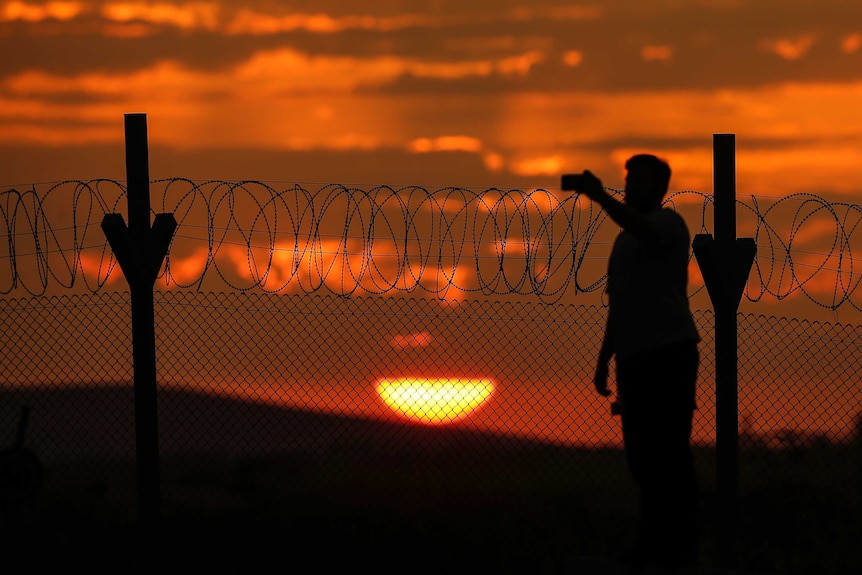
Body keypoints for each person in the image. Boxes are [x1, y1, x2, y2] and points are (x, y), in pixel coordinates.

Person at [562, 154, 701, 570]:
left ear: (660, 189)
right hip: (634, 359)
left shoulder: (667, 226)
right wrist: (605, 357)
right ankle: (653, 547)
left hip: (669, 355)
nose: (631, 187)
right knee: (642, 459)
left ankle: (679, 548)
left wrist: (599, 196)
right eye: (628, 181)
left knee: (669, 456)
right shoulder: (625, 240)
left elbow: (641, 227)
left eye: (640, 182)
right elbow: (619, 302)